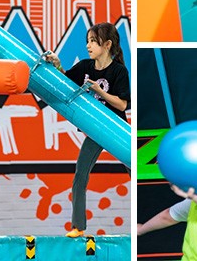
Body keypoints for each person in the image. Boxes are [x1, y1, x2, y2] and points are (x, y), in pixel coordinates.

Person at [43, 22, 130, 238]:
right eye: (87, 41)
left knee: (134, 169)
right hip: (95, 130)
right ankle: (78, 226)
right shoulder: (84, 67)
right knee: (80, 175)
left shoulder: (119, 71)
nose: (89, 45)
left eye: (93, 41)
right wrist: (57, 64)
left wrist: (100, 91)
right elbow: (64, 81)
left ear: (107, 44)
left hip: (116, 128)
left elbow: (122, 105)